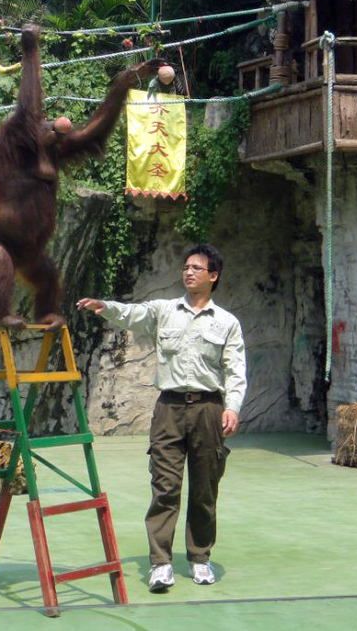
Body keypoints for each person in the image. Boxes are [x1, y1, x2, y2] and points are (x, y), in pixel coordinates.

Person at [76, 243, 247, 592]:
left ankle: (199, 558)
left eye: (197, 268)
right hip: (169, 408)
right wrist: (104, 307)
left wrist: (232, 407)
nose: (188, 272)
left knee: (204, 489)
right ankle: (161, 563)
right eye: (185, 267)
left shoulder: (227, 322)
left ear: (213, 276)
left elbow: (235, 369)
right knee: (165, 487)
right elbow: (130, 314)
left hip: (209, 409)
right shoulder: (164, 310)